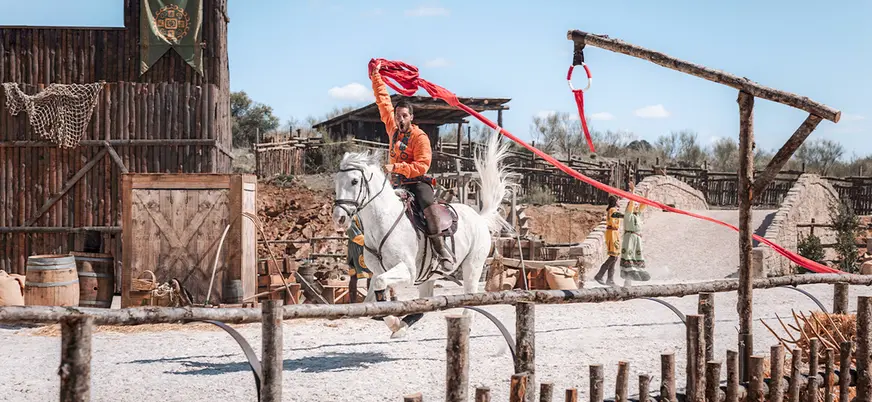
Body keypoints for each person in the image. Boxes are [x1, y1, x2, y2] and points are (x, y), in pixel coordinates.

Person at [369, 62, 454, 273]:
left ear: (411, 117)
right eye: (398, 115)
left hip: (416, 183)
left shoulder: (420, 137)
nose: (400, 119)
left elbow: (422, 165)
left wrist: (397, 166)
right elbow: (382, 100)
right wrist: (376, 77)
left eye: (404, 116)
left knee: (429, 206)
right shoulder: (392, 128)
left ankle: (440, 249)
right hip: (395, 184)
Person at [620, 182, 651, 283]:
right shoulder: (628, 214)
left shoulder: (637, 215)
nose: (637, 206)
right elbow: (632, 203)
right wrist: (632, 192)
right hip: (630, 237)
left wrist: (646, 193)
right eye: (635, 205)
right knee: (629, 253)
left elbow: (644, 204)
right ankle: (628, 270)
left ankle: (639, 269)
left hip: (637, 237)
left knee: (637, 253)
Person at [593, 194, 623, 286]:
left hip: (615, 233)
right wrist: (628, 215)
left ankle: (610, 279)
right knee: (613, 256)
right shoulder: (612, 210)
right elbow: (617, 215)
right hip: (612, 233)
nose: (619, 202)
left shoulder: (614, 210)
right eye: (618, 200)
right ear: (615, 202)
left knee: (615, 257)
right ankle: (599, 275)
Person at [345, 214, 372, 303]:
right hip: (356, 248)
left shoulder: (368, 214)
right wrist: (371, 242)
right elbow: (353, 234)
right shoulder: (352, 217)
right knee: (354, 276)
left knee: (372, 275)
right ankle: (352, 302)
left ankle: (371, 300)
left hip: (370, 248)